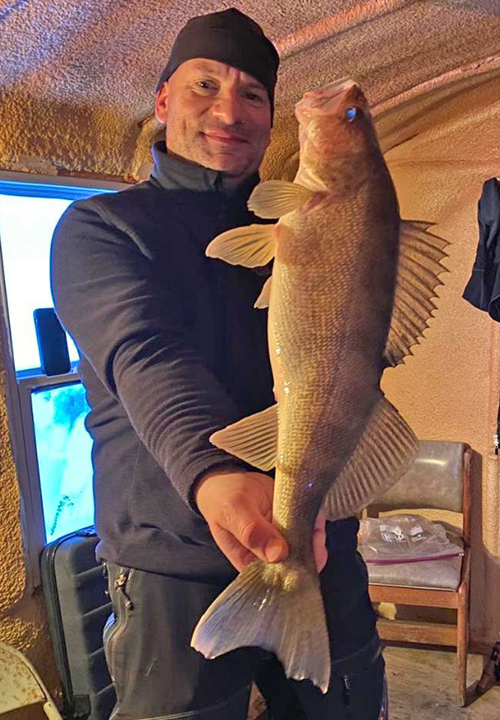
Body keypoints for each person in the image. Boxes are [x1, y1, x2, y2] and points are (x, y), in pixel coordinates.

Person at [51, 8, 387, 719]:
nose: (228, 111)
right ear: (164, 98)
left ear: (272, 122)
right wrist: (214, 475)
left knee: (348, 704)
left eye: (253, 95)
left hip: (319, 540)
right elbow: (144, 355)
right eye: (205, 85)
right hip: (173, 561)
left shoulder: (297, 227)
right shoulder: (99, 228)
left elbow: (353, 362)